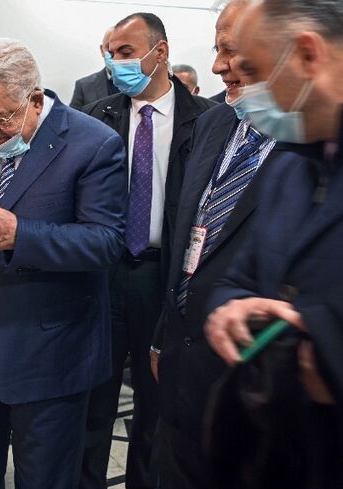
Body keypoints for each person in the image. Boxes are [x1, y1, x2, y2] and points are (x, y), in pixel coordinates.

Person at [204, 0, 343, 487]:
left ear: (308, 55)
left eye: (252, 68)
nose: (238, 83)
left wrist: (336, 353)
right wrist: (236, 311)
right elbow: (240, 278)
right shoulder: (294, 159)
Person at [0, 38, 127, 489]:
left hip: (50, 354)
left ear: (35, 98)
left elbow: (106, 241)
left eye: (1, 117)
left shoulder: (94, 143)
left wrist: (19, 236)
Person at [149, 2, 304, 488]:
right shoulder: (215, 122)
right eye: (218, 50)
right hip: (179, 366)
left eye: (231, 51)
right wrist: (162, 330)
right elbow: (187, 238)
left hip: (254, 387)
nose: (217, 66)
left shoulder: (313, 145)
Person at [79, 12, 215, 489]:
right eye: (111, 53)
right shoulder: (98, 117)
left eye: (125, 52)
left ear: (160, 53)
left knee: (156, 408)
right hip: (105, 272)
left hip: (165, 277)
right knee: (95, 399)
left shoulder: (206, 121)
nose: (115, 63)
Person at [70, 26, 121, 109]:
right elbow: (72, 119)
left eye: (121, 48)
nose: (115, 54)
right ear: (102, 50)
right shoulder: (83, 86)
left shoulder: (142, 84)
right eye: (109, 47)